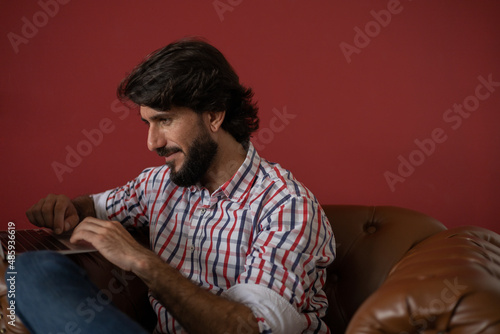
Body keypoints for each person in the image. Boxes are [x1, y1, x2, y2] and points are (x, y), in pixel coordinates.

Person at [15, 38, 336, 334]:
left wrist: (143, 262)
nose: (153, 142)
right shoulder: (157, 185)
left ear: (214, 115)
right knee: (32, 271)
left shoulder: (286, 205)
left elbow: (249, 329)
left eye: (165, 120)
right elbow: (93, 206)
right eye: (148, 123)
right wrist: (67, 209)